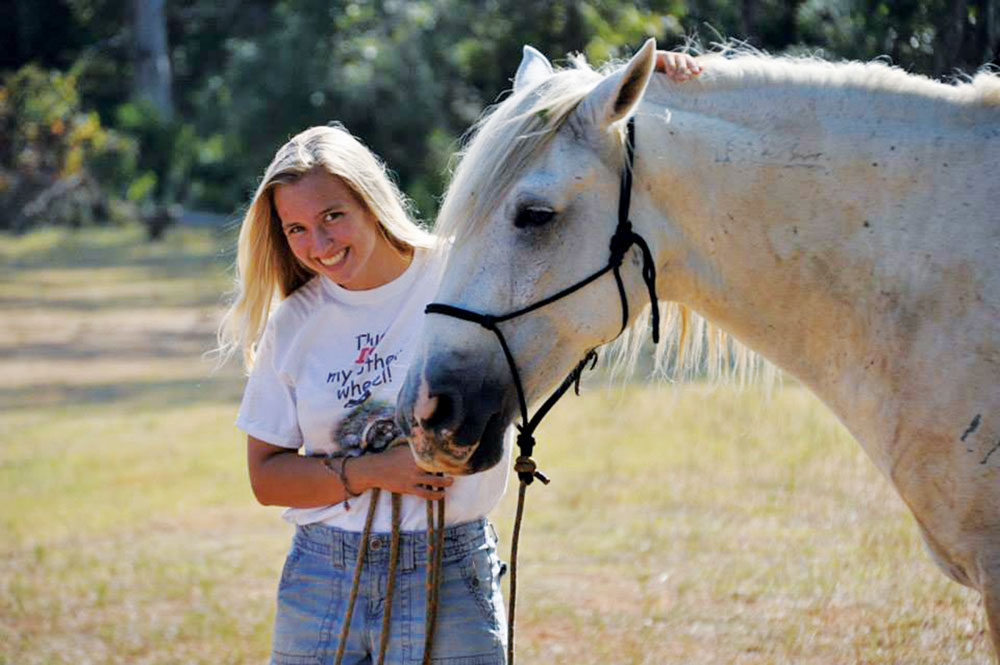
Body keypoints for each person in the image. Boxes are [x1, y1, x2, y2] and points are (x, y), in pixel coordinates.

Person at [220, 51, 701, 665]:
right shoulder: (296, 323)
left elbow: (552, 127)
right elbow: (266, 477)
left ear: (370, 201)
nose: (319, 245)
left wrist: (662, 82)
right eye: (296, 230)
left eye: (333, 217)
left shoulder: (459, 275)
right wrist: (372, 472)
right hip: (323, 577)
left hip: (447, 571)